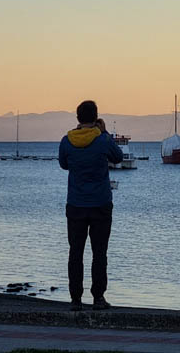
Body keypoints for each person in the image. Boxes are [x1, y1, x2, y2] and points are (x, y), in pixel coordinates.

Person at [58, 100, 123, 311]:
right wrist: (103, 133)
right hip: (101, 204)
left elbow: (63, 164)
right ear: (95, 117)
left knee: (75, 252)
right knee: (99, 253)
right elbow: (118, 157)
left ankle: (76, 299)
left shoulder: (67, 141)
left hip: (76, 204)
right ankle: (98, 298)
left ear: (78, 118)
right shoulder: (102, 140)